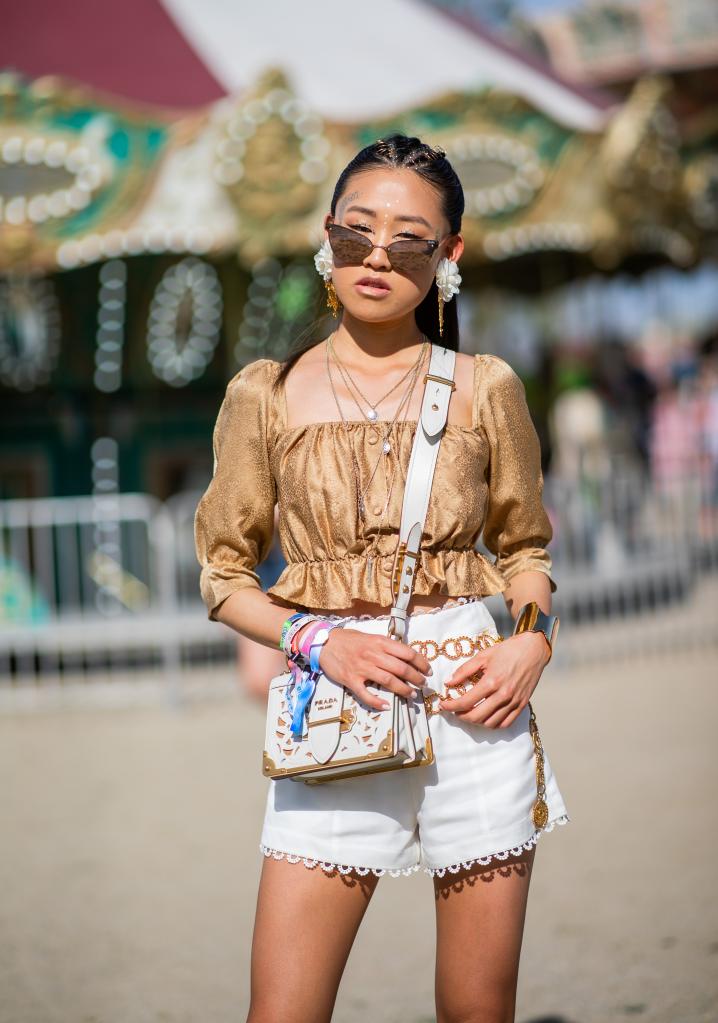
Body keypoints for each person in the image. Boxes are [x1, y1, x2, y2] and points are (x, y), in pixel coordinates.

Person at [195, 134, 569, 1023]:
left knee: (476, 1010)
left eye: (408, 240)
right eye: (356, 231)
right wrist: (317, 637)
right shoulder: (265, 392)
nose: (376, 256)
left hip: (476, 708)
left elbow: (526, 550)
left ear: (449, 255)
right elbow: (222, 574)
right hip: (333, 701)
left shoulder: (486, 387)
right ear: (327, 238)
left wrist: (531, 645)